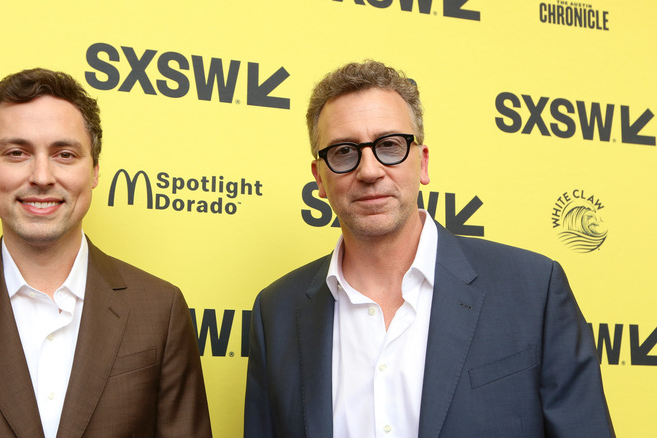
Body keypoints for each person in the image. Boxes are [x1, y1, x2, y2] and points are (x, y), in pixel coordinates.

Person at [244, 60, 614, 438]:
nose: (369, 171)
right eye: (343, 151)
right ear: (319, 178)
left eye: (389, 145)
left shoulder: (534, 291)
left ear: (421, 163)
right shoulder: (276, 313)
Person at [0, 68, 212, 438]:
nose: (41, 176)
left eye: (64, 154)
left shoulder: (160, 309)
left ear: (95, 170)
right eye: (17, 153)